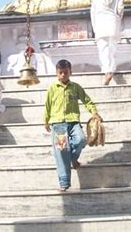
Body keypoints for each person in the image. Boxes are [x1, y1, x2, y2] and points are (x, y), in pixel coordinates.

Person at [43, 59, 103, 192]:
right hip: (58, 124)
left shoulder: (75, 87)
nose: (63, 75)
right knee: (61, 151)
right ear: (57, 73)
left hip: (73, 122)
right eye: (60, 73)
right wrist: (46, 120)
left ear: (71, 72)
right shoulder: (52, 88)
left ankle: (72, 158)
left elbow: (87, 100)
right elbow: (47, 105)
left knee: (81, 140)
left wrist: (94, 113)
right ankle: (64, 183)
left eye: (65, 72)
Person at [91, 0, 124, 85]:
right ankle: (111, 70)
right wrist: (118, 20)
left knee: (103, 50)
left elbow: (93, 14)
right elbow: (120, 10)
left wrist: (95, 28)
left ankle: (107, 72)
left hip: (101, 25)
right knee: (113, 50)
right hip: (112, 24)